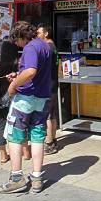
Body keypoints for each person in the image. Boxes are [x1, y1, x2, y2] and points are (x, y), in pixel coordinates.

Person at [0, 21, 53, 194]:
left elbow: (31, 71)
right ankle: (37, 178)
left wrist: (13, 86)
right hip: (42, 98)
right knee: (37, 136)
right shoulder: (45, 45)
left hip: (25, 98)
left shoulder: (30, 47)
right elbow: (34, 71)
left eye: (16, 41)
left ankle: (16, 178)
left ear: (21, 37)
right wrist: (19, 74)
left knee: (14, 135)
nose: (16, 45)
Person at [37, 23, 59, 155]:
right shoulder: (53, 46)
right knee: (53, 113)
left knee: (48, 115)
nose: (37, 36)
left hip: (48, 84)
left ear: (46, 34)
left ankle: (49, 143)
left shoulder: (48, 48)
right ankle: (54, 139)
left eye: (39, 33)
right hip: (53, 82)